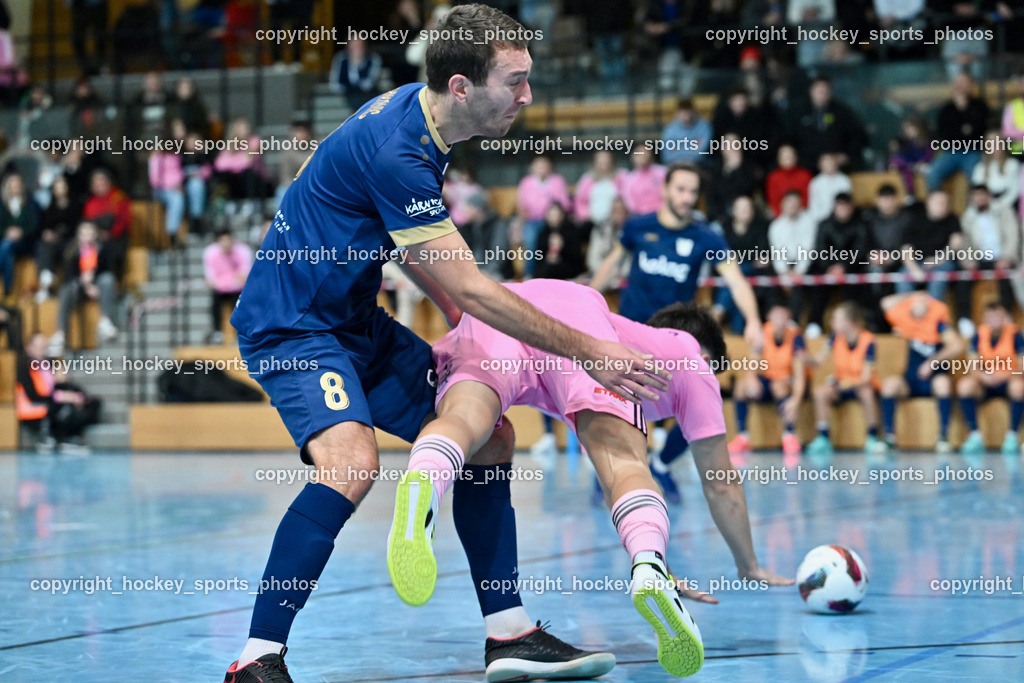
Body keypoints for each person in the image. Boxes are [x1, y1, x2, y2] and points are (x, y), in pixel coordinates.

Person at [223, 6, 667, 681]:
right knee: (350, 462)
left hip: (353, 320)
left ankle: (509, 632)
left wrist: (469, 329)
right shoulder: (399, 151)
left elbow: (435, 269)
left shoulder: (422, 123)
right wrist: (588, 349)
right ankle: (255, 658)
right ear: (462, 85)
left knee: (489, 438)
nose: (527, 96)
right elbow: (475, 287)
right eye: (514, 81)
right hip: (295, 323)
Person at [385, 280, 793, 679]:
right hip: (576, 325)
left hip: (499, 307)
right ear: (705, 354)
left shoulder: (625, 327)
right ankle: (647, 567)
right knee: (624, 461)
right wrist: (749, 564)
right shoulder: (691, 359)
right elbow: (720, 481)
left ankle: (424, 478)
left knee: (465, 420)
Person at [878, 292, 962, 453]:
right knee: (889, 384)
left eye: (921, 307)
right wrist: (913, 295)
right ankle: (889, 437)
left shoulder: (939, 324)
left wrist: (932, 362)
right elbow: (886, 301)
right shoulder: (907, 320)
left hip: (933, 380)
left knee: (943, 383)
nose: (917, 312)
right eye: (914, 308)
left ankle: (943, 438)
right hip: (911, 380)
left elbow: (957, 346)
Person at [806, 302, 885, 456]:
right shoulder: (834, 338)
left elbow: (866, 377)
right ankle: (823, 438)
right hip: (840, 384)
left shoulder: (868, 341)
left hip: (859, 384)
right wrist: (805, 358)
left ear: (849, 322)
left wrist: (845, 384)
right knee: (820, 392)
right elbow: (819, 361)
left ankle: (873, 437)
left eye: (835, 319)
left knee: (866, 392)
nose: (831, 322)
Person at [729, 303, 806, 458]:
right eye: (776, 316)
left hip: (786, 382)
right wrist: (751, 380)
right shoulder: (763, 333)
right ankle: (743, 436)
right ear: (769, 317)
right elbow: (752, 363)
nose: (779, 320)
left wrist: (796, 400)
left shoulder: (796, 337)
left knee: (779, 386)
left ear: (788, 318)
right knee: (741, 386)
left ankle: (789, 435)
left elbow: (800, 375)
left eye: (783, 316)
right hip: (766, 380)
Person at [957, 302, 1024, 455]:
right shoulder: (979, 335)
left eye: (998, 317)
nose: (995, 320)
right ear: (985, 319)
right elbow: (972, 365)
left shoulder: (1015, 334)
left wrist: (1003, 375)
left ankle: (1012, 436)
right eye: (991, 317)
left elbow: (1022, 366)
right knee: (965, 386)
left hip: (1008, 379)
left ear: (1005, 318)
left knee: (1019, 387)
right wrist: (985, 377)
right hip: (985, 382)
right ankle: (974, 435)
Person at [16, 332, 101, 453]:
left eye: (44, 347)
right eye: (39, 347)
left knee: (93, 403)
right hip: (37, 408)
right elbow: (34, 396)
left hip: (53, 401)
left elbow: (62, 386)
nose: (42, 350)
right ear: (29, 348)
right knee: (65, 408)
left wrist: (78, 396)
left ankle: (71, 437)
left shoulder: (50, 363)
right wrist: (62, 397)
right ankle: (62, 438)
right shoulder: (24, 368)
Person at [48, 221, 119, 356]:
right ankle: (61, 333)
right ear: (79, 235)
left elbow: (108, 269)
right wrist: (85, 285)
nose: (87, 236)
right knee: (65, 289)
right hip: (78, 287)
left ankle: (105, 321)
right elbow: (68, 275)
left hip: (97, 287)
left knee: (108, 280)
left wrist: (92, 283)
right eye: (84, 233)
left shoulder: (103, 249)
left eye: (90, 233)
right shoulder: (71, 251)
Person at [511, 154, 570, 277]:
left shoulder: (558, 181)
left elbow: (564, 204)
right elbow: (521, 206)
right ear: (532, 167)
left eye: (544, 164)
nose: (541, 167)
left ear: (550, 166)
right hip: (532, 221)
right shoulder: (526, 183)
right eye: (538, 164)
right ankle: (530, 274)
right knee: (531, 241)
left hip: (553, 222)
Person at [927, 73, 989, 191]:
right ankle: (936, 204)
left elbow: (979, 129)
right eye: (959, 84)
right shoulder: (946, 109)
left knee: (976, 178)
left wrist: (963, 108)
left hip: (973, 151)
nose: (961, 87)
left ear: (971, 86)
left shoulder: (979, 106)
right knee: (933, 173)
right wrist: (964, 130)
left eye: (965, 84)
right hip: (951, 152)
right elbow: (943, 134)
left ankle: (974, 208)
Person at [203, 228, 252, 344]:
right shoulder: (210, 253)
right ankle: (217, 332)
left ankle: (239, 333)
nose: (226, 244)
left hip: (237, 289)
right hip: (221, 290)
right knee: (215, 304)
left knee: (239, 305)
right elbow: (210, 278)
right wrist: (226, 283)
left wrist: (227, 282)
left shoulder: (243, 251)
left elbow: (244, 275)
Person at [0, 172, 40, 295]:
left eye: (18, 185)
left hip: (25, 242)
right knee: (8, 252)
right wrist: (7, 232)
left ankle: (7, 288)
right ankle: (8, 289)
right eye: (13, 185)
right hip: (7, 242)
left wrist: (21, 232)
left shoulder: (30, 203)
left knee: (6, 246)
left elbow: (34, 224)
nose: (16, 187)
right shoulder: (2, 205)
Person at [660, 98, 712, 165]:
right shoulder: (670, 129)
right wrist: (692, 150)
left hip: (698, 165)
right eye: (683, 110)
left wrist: (678, 150)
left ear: (693, 111)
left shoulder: (704, 126)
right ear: (678, 112)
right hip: (675, 165)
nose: (686, 113)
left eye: (688, 110)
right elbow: (667, 155)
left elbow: (702, 152)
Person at [765, 144, 812, 216]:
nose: (788, 158)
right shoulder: (773, 178)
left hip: (803, 215)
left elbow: (808, 199)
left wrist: (799, 215)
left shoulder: (805, 175)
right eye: (784, 156)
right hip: (781, 217)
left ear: (796, 157)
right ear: (779, 159)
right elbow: (773, 202)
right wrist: (784, 217)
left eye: (790, 155)